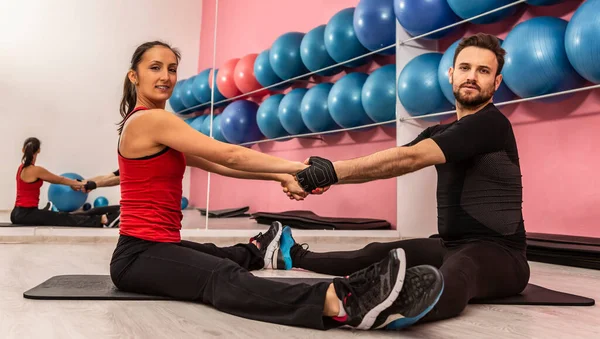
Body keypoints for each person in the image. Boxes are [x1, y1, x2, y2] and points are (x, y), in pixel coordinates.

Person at [108, 40, 445, 331]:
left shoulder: (157, 125)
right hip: (138, 255)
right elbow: (230, 154)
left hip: (154, 247)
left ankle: (263, 250)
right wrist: (301, 168)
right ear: (134, 75)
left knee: (214, 254)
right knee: (221, 275)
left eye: (171, 68)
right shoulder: (150, 120)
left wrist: (279, 176)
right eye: (155, 68)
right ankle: (341, 302)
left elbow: (219, 164)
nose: (166, 76)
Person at [276, 33, 531, 325]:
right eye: (465, 68)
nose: (472, 76)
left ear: (496, 82)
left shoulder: (492, 124)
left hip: (502, 256)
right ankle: (290, 255)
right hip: (451, 244)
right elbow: (391, 164)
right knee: (375, 253)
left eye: (483, 71)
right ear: (451, 74)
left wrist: (330, 171)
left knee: (463, 269)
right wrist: (323, 179)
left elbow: (410, 158)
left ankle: (380, 308)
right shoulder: (440, 133)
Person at [11, 137, 120, 227]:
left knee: (59, 215)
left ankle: (45, 212)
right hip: (27, 214)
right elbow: (60, 180)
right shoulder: (36, 170)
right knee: (63, 217)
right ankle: (102, 219)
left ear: (23, 150)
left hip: (16, 213)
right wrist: (80, 184)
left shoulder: (21, 168)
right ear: (38, 150)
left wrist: (83, 183)